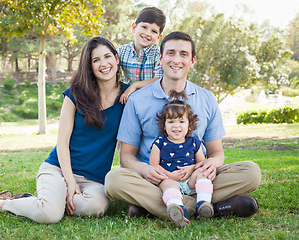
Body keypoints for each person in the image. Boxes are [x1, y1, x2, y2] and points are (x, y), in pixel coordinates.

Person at [105, 31, 261, 226]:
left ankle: (156, 208)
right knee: (114, 180)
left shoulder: (207, 98)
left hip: (198, 179)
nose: (176, 60)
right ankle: (215, 207)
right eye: (170, 53)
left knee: (251, 172)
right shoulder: (137, 100)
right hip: (155, 182)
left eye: (183, 54)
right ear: (161, 58)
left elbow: (216, 152)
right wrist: (145, 170)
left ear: (192, 61)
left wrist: (210, 165)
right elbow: (126, 156)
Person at [0, 36, 129, 224]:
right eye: (96, 60)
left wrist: (139, 84)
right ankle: (1, 203)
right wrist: (70, 182)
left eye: (107, 56)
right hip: (59, 169)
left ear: (117, 59)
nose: (104, 64)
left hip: (94, 180)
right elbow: (62, 142)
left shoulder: (128, 96)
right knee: (50, 215)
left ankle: (37, 201)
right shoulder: (76, 94)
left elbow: (160, 81)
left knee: (97, 207)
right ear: (89, 66)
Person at [149, 90, 214, 228]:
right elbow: (153, 165)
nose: (176, 126)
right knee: (167, 185)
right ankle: (178, 209)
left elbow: (202, 163)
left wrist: (192, 169)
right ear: (164, 125)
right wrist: (169, 175)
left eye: (181, 121)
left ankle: (203, 204)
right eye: (171, 121)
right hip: (169, 178)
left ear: (190, 125)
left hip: (190, 180)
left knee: (203, 174)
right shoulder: (160, 142)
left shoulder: (194, 142)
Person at [118, 7, 166, 104]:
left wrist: (136, 85)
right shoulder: (122, 51)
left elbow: (160, 80)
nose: (147, 33)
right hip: (126, 99)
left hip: (151, 100)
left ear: (158, 37)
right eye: (144, 27)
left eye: (154, 31)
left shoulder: (158, 54)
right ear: (134, 27)